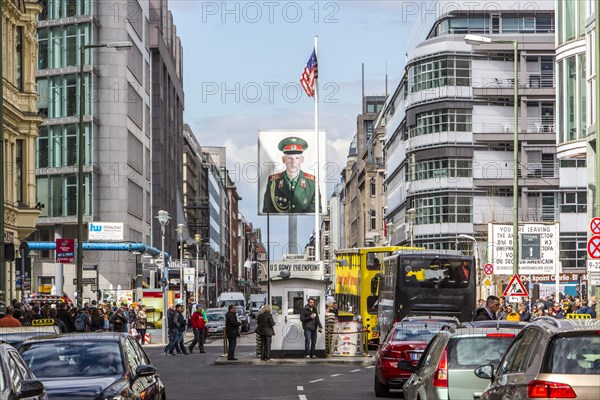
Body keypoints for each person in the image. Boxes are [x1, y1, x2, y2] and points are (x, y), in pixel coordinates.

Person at [262, 136, 321, 214]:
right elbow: (267, 211)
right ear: (284, 160)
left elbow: (315, 213)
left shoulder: (312, 183)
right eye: (290, 158)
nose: (293, 163)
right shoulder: (273, 182)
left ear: (302, 160)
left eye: (297, 158)